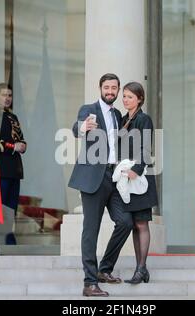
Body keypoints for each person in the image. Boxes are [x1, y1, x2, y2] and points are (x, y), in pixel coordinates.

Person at [69, 73, 134, 297]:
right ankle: (89, 282)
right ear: (100, 88)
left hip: (114, 178)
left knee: (126, 221)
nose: (110, 91)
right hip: (93, 178)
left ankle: (104, 270)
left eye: (113, 88)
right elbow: (76, 129)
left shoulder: (117, 114)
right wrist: (82, 127)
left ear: (117, 91)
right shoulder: (89, 109)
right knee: (91, 230)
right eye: (106, 87)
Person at [118, 82, 158, 284]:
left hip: (140, 176)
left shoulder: (144, 119)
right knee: (134, 224)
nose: (125, 100)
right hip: (127, 177)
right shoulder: (124, 119)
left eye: (130, 97)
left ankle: (141, 268)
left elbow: (146, 147)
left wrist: (137, 169)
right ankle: (141, 268)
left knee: (142, 222)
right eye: (124, 96)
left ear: (140, 99)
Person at [0, 83, 27, 245]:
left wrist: (22, 145)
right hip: (0, 168)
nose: (7, 98)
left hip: (14, 168)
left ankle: (8, 237)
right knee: (0, 206)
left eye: (10, 95)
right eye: (4, 95)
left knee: (11, 207)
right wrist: (14, 146)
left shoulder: (13, 117)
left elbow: (20, 138)